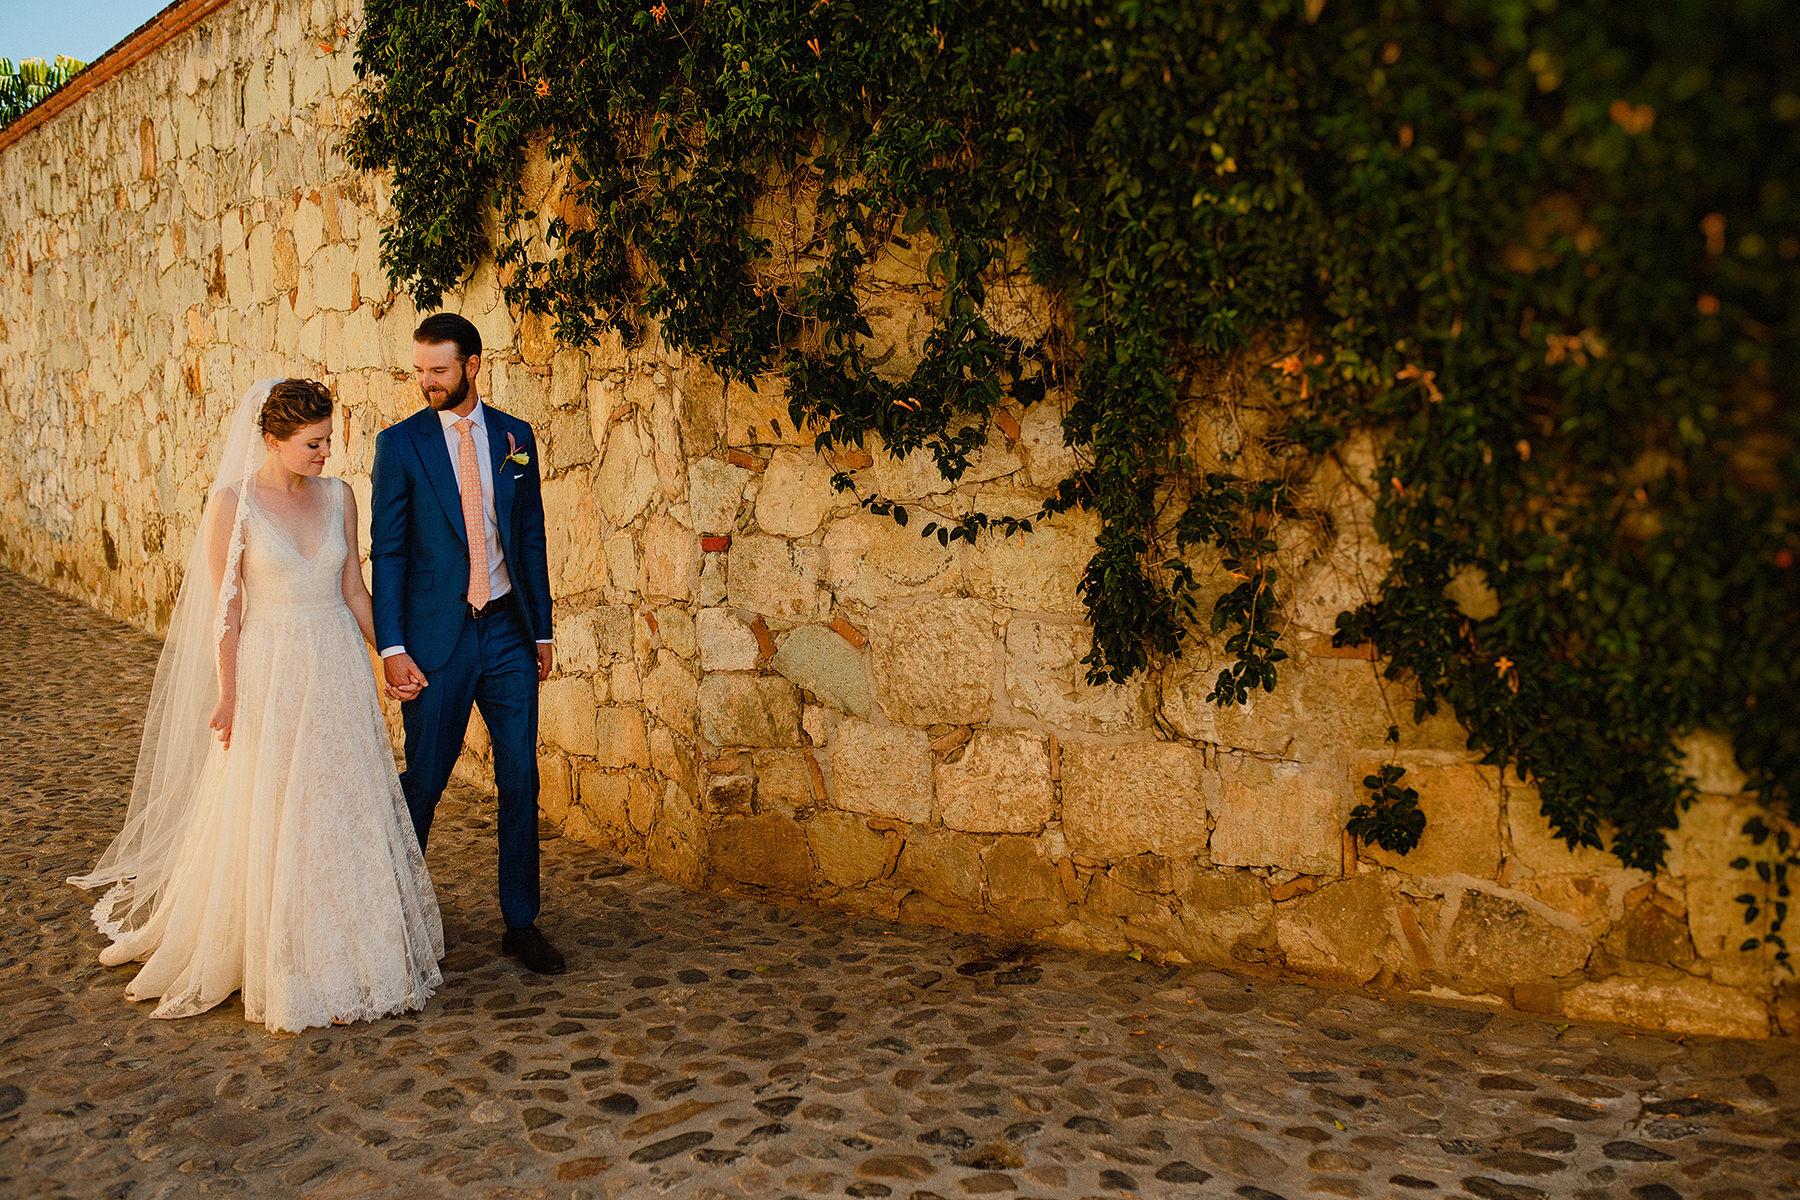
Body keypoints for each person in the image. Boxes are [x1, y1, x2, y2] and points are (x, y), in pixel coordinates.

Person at [70, 379, 444, 1033]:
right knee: (275, 806)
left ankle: (348, 948)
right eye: (312, 444)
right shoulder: (233, 505)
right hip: (270, 670)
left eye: (329, 440)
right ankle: (279, 954)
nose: (326, 454)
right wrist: (230, 693)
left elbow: (355, 587)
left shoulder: (339, 497)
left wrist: (390, 652)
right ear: (271, 441)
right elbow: (228, 609)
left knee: (336, 803)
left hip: (333, 668)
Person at [370, 313, 563, 975]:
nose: (426, 382)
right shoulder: (400, 446)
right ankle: (390, 912)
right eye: (420, 370)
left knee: (520, 778)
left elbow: (530, 535)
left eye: (440, 370)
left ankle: (521, 921)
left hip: (507, 629)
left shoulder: (517, 437)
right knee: (424, 779)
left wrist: (541, 629)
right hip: (436, 641)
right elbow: (389, 552)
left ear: (473, 366)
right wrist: (392, 646)